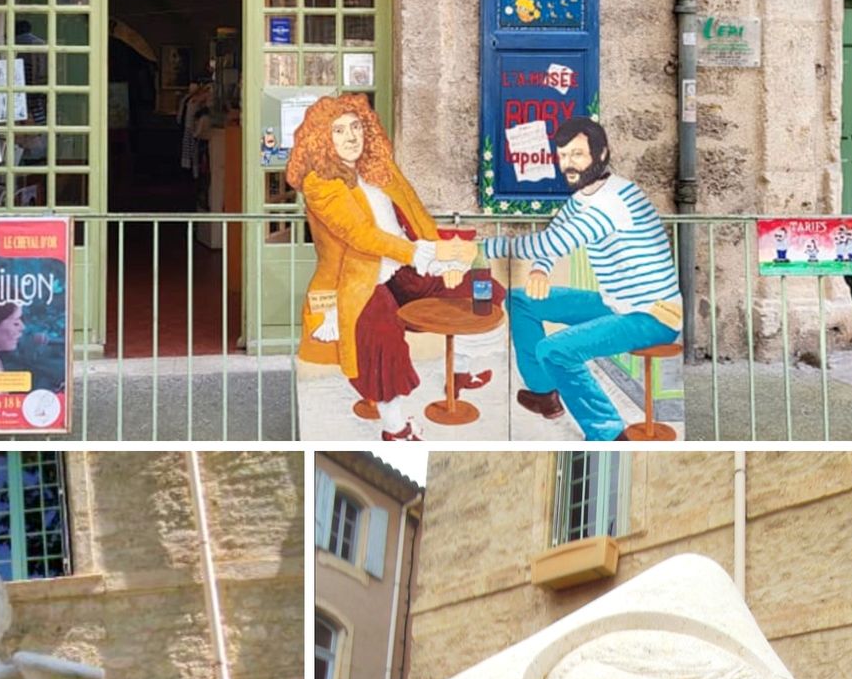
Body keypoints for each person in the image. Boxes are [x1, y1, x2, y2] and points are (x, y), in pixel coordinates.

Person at [288, 95, 502, 441]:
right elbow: (361, 236)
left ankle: (458, 372)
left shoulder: (380, 169)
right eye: (339, 130)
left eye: (356, 127)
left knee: (478, 290)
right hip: (357, 281)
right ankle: (395, 429)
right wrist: (420, 254)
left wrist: (445, 257)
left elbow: (417, 214)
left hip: (403, 266)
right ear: (322, 139)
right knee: (383, 337)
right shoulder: (320, 183)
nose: (351, 137)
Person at [478, 116, 681, 441]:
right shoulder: (583, 198)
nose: (567, 164)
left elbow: (549, 242)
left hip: (653, 316)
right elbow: (555, 236)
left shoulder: (612, 202)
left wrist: (481, 246)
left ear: (601, 155)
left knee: (556, 350)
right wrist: (540, 269)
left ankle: (609, 434)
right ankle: (545, 393)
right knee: (520, 299)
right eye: (562, 155)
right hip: (616, 304)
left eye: (577, 155)